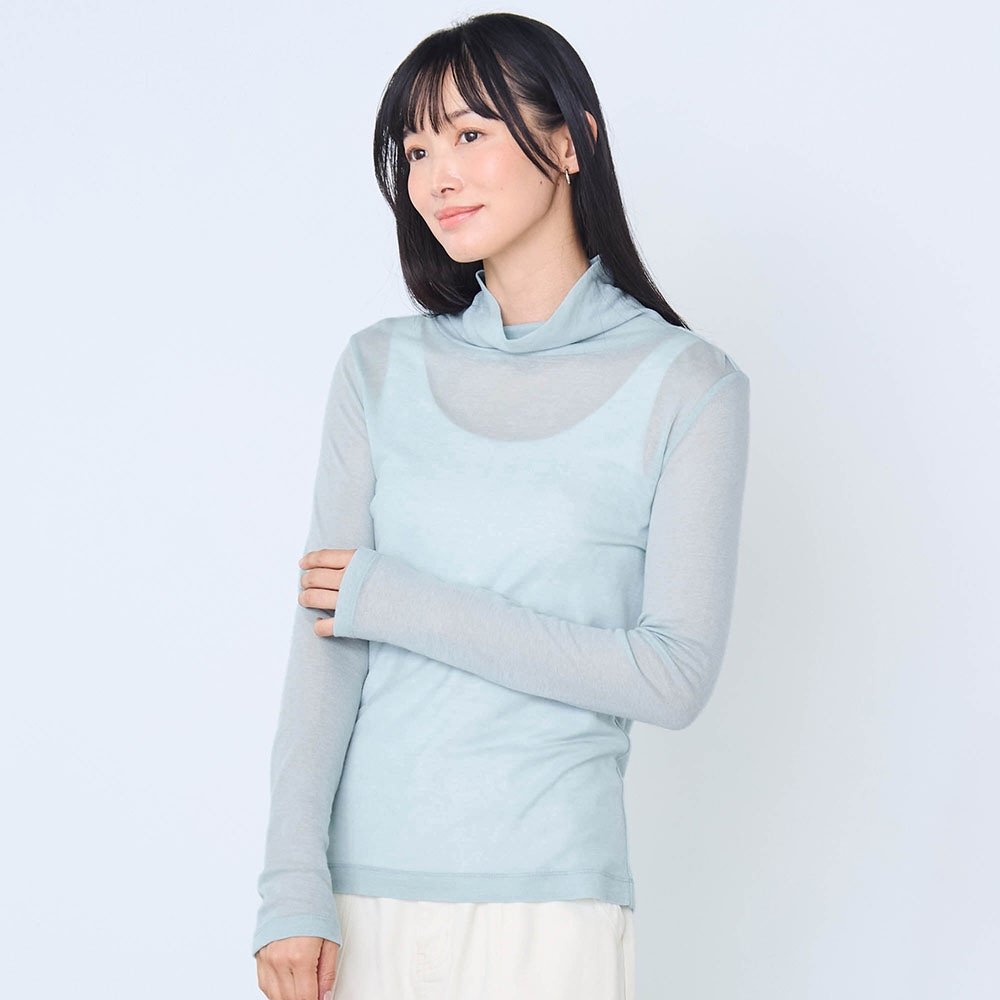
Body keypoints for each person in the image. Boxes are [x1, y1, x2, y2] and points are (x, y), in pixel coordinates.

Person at [252, 11, 750, 1000]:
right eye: (415, 150)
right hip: (355, 905)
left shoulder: (689, 385)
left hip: (550, 908)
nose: (436, 175)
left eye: (469, 134)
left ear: (570, 141)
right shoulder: (378, 368)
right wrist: (290, 888)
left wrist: (399, 601)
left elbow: (671, 676)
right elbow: (324, 647)